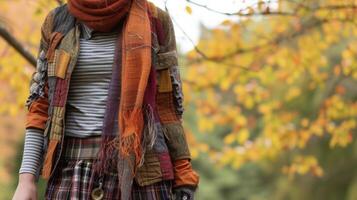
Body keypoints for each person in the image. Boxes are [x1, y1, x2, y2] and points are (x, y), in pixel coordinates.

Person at [12, 0, 199, 199]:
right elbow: (40, 103)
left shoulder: (155, 20)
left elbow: (168, 107)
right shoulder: (57, 21)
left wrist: (184, 175)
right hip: (71, 172)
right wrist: (26, 180)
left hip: (142, 172)